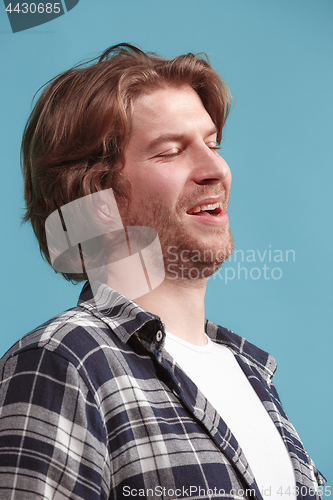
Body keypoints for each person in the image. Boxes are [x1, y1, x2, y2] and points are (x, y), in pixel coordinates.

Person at [0, 44, 326, 500]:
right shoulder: (64, 362)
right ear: (98, 200)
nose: (216, 169)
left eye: (213, 145)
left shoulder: (252, 375)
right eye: (171, 152)